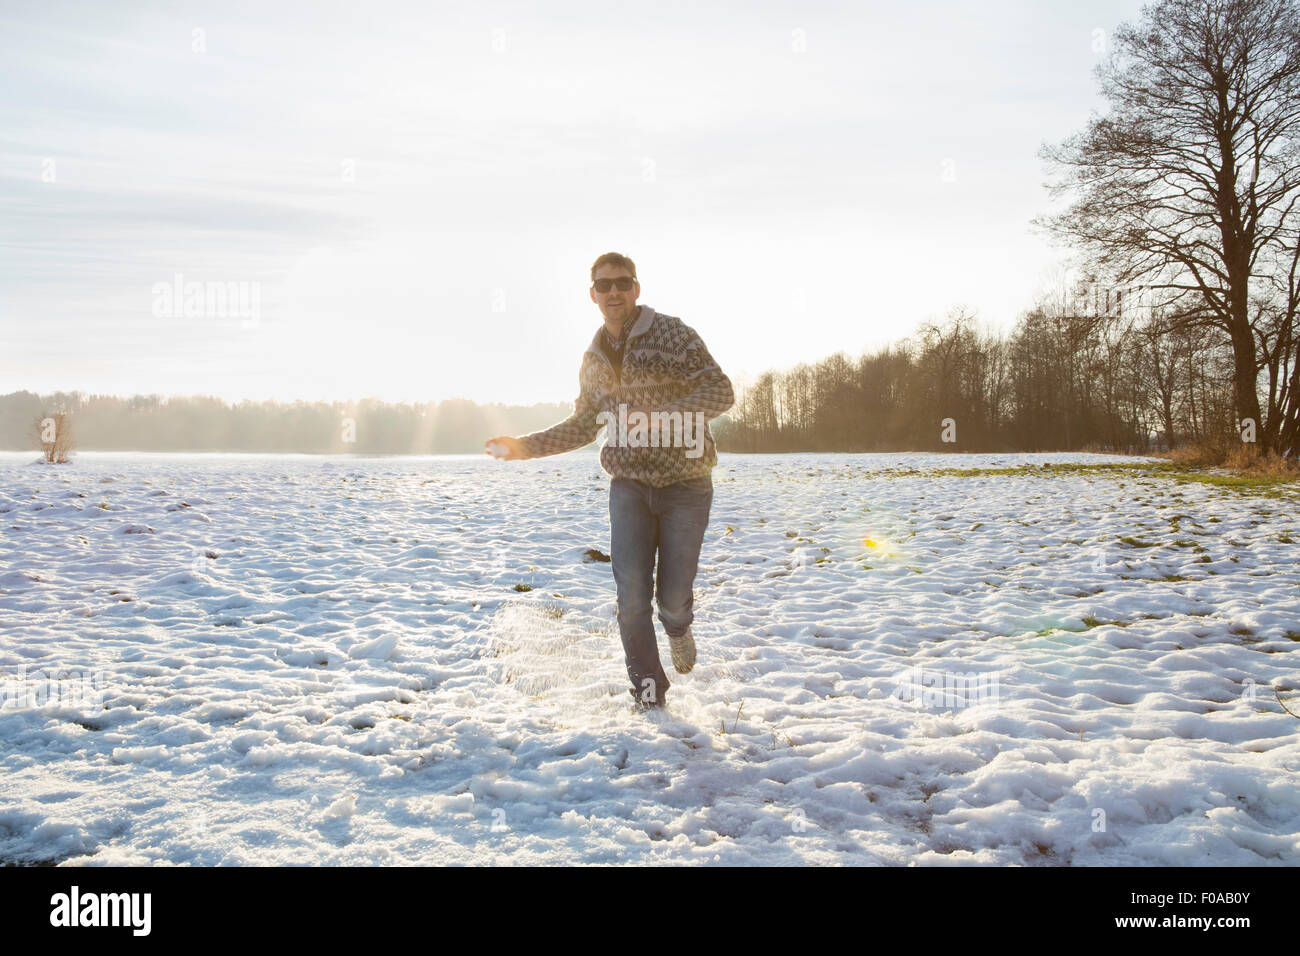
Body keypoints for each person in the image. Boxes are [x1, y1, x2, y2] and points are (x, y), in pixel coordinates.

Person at [485, 252, 734, 712]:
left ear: (636, 288)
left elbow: (721, 392)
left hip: (687, 483)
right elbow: (584, 425)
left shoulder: (674, 334)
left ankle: (679, 627)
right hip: (629, 487)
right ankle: (650, 696)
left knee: (672, 599)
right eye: (604, 285)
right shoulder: (594, 358)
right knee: (631, 595)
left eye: (622, 283)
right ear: (593, 295)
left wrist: (659, 418)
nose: (614, 292)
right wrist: (523, 446)